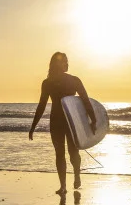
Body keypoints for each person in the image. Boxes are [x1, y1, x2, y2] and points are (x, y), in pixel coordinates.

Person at [30, 52, 96, 194]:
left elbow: (85, 100)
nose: (64, 63)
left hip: (72, 121)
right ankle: (63, 186)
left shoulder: (74, 80)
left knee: (73, 152)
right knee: (59, 153)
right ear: (54, 64)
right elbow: (41, 105)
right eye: (62, 61)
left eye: (65, 61)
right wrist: (33, 126)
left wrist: (93, 119)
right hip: (57, 121)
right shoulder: (47, 83)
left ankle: (77, 175)